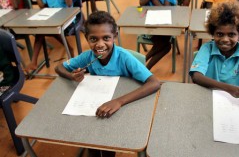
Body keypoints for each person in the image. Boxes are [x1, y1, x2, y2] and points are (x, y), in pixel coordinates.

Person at [55, 11, 160, 157]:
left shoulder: (124, 58)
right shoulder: (87, 56)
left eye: (106, 38)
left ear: (115, 37)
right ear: (86, 38)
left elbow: (154, 83)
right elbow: (59, 67)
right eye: (93, 39)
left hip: (123, 105)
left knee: (108, 142)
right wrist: (71, 76)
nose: (99, 44)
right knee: (91, 136)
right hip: (97, 104)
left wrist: (119, 101)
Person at [25, 0, 76, 71]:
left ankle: (69, 48)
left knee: (49, 28)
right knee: (40, 30)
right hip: (53, 19)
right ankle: (33, 62)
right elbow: (41, 6)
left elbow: (69, 4)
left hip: (68, 19)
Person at [139, 0, 177, 70]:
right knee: (166, 46)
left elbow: (165, 9)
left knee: (165, 43)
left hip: (165, 24)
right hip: (149, 25)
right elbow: (142, 2)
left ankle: (144, 63)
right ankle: (146, 67)